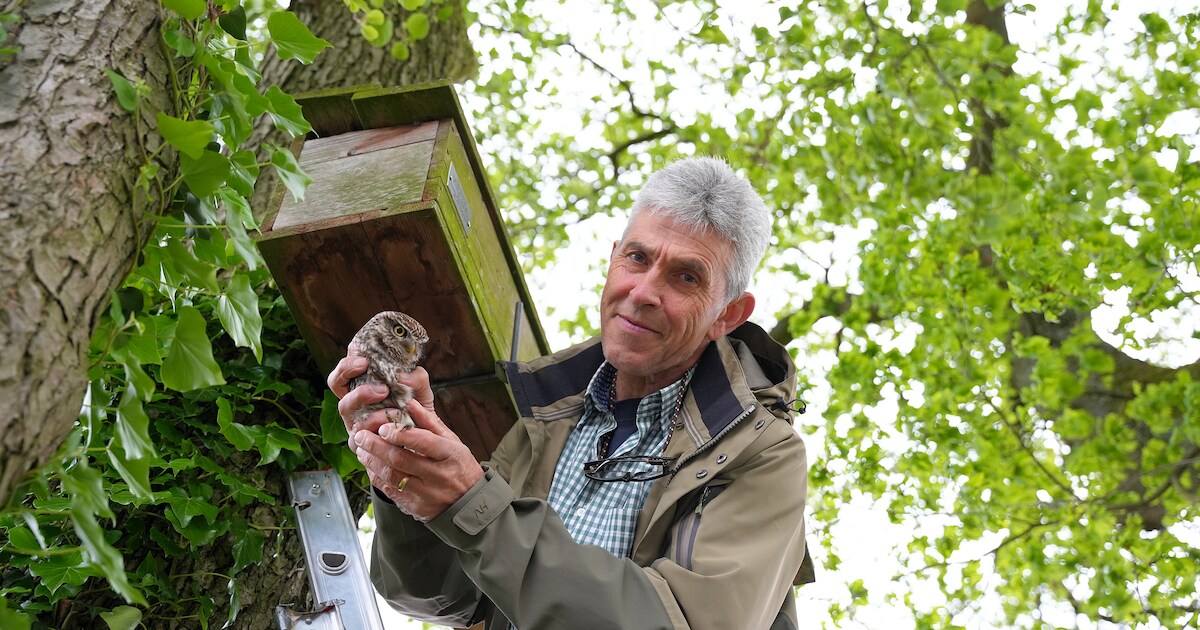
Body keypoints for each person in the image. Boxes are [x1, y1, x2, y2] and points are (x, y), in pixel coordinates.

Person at [328, 156, 814, 630]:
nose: (643, 292)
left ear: (728, 315)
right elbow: (442, 598)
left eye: (686, 277)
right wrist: (407, 466)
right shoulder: (546, 421)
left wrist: (477, 507)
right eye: (637, 258)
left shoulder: (762, 454)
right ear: (613, 258)